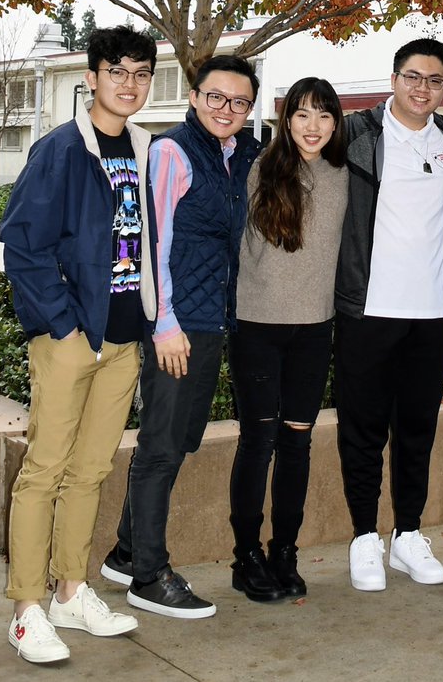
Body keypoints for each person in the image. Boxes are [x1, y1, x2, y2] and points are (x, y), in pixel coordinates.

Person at [0, 25, 158, 664]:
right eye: (116, 69)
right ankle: (27, 607)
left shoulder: (148, 148)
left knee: (91, 471)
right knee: (44, 470)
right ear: (89, 76)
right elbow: (22, 243)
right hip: (73, 337)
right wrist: (62, 328)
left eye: (141, 72)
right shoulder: (63, 150)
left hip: (124, 337)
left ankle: (70, 591)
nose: (129, 82)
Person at [101, 55, 262, 619]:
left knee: (180, 440)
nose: (227, 110)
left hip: (211, 320)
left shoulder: (240, 153)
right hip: (178, 325)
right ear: (194, 97)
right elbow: (156, 242)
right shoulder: (172, 151)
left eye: (240, 102)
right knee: (160, 448)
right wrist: (164, 324)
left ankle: (125, 552)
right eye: (216, 97)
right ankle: (149, 575)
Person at [334, 38, 443, 591]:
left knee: (417, 429)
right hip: (368, 307)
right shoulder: (355, 134)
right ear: (394, 78)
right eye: (413, 76)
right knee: (362, 429)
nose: (423, 89)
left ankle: (408, 535)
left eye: (435, 80)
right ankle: (365, 537)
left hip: (433, 311)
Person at [227, 77, 347, 602]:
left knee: (297, 443)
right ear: (285, 119)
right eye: (302, 115)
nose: (313, 126)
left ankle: (285, 552)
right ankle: (246, 555)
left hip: (315, 329)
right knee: (258, 443)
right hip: (257, 326)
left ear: (336, 122)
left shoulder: (347, 176)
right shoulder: (262, 168)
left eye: (324, 115)